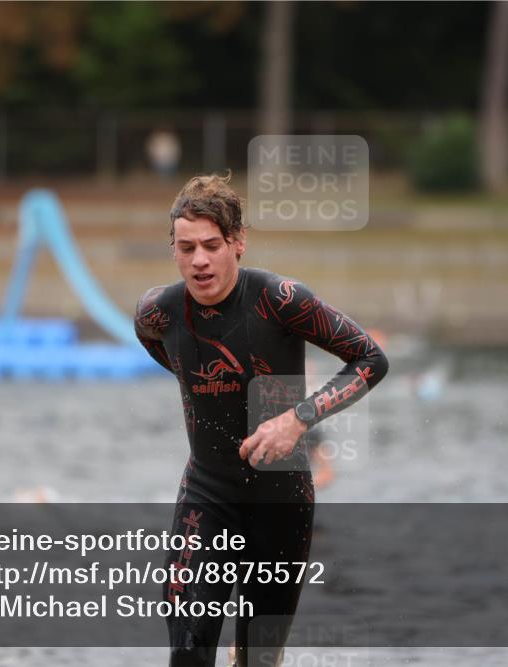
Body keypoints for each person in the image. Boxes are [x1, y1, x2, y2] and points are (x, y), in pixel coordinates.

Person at [134, 173, 388, 666]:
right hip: (207, 492)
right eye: (186, 248)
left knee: (256, 660)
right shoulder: (157, 313)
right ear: (173, 249)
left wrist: (297, 419)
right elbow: (165, 352)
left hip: (280, 501)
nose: (199, 261)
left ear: (238, 242)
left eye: (211, 245)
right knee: (187, 650)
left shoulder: (281, 299)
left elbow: (370, 359)